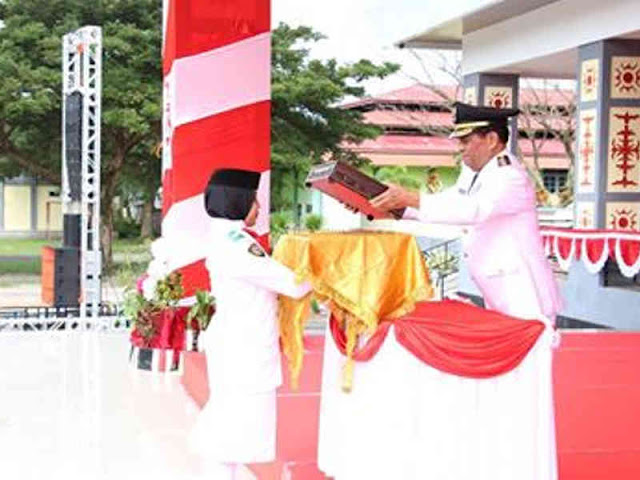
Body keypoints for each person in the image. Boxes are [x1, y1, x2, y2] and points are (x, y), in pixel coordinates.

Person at [369, 102, 562, 324]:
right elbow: (450, 204)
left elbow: (472, 210)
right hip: (499, 287)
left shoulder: (509, 176)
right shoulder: (475, 174)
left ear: (491, 140)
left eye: (466, 140)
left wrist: (410, 197)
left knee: (530, 355)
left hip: (524, 292)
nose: (460, 148)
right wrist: (396, 208)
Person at [189, 168, 312, 480]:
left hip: (237, 342)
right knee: (233, 432)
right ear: (238, 201)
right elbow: (294, 285)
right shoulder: (237, 244)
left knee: (229, 429)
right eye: (254, 199)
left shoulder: (226, 236)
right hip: (244, 349)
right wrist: (332, 271)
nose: (258, 207)